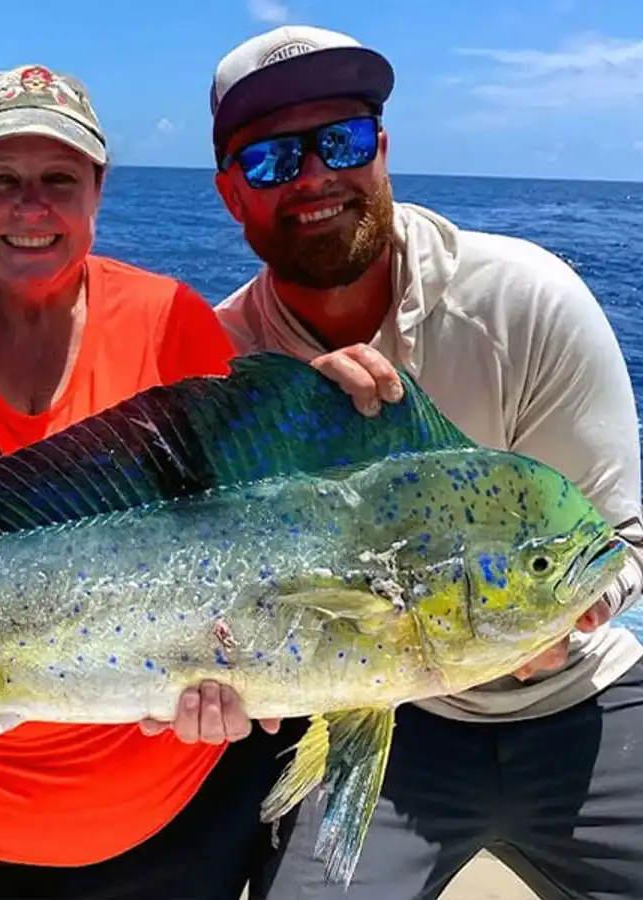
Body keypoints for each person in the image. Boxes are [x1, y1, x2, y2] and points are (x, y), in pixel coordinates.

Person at [0, 63, 388, 899]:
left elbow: (255, 540)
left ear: (97, 193)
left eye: (59, 180)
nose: (31, 207)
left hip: (163, 839)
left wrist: (315, 415)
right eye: (1, 181)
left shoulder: (172, 322)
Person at [206, 24, 643, 900]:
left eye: (341, 141)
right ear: (231, 194)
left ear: (382, 148)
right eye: (271, 160)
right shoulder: (223, 368)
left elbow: (620, 542)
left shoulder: (526, 301)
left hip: (585, 705)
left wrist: (574, 616)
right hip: (387, 719)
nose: (314, 177)